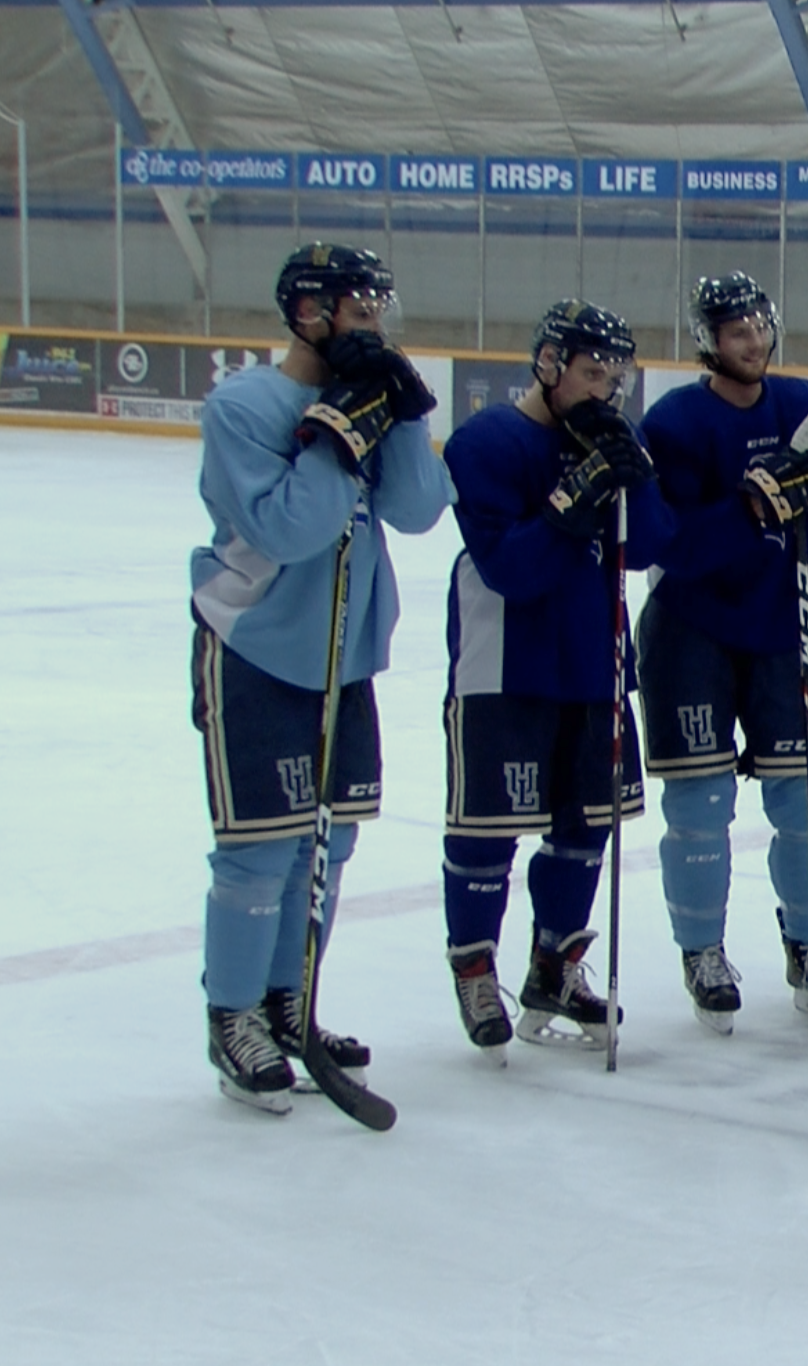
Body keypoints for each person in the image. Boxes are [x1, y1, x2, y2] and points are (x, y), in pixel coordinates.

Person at [189, 242, 453, 1112]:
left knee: (325, 846)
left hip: (345, 662)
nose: (376, 322)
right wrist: (341, 427)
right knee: (262, 848)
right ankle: (234, 1016)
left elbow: (416, 510)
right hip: (259, 651)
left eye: (383, 306)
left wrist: (402, 415)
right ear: (309, 313)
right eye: (359, 306)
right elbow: (291, 529)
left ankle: (287, 1003)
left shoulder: (374, 396)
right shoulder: (243, 406)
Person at [638, 272, 808, 1033]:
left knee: (807, 802)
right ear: (707, 342)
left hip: (784, 628)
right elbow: (671, 545)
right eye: (734, 331)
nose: (752, 342)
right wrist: (749, 505)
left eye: (759, 327)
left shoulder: (796, 406)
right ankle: (702, 951)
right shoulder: (676, 420)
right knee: (700, 806)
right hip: (692, 634)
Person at [438, 301, 671, 1058]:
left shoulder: (614, 436)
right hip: (505, 665)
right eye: (590, 372)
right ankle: (475, 966)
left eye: (615, 376)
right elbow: (513, 568)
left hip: (595, 663)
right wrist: (581, 494)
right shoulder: (486, 442)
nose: (605, 389)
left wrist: (630, 481)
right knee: (489, 829)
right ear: (547, 364)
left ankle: (556, 966)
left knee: (587, 825)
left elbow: (652, 547)